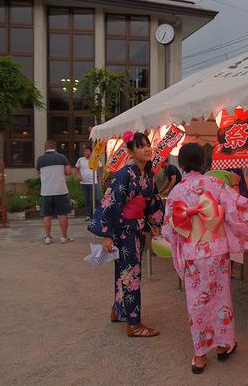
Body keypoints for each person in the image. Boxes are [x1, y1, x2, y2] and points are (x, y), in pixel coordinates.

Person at [162, 143, 248, 374]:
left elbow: (170, 227)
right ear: (203, 163)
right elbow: (237, 206)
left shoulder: (176, 191)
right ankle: (222, 346)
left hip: (192, 253)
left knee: (196, 302)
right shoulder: (215, 184)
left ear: (180, 165)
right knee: (221, 297)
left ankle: (199, 355)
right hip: (217, 250)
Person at [88, 131, 164, 338]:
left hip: (137, 229)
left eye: (148, 144)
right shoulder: (125, 174)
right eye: (141, 146)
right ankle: (134, 323)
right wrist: (107, 234)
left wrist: (155, 222)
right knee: (131, 275)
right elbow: (111, 202)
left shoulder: (148, 174)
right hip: (124, 231)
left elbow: (153, 200)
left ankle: (118, 310)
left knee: (125, 272)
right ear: (130, 152)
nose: (147, 149)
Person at [36, 140, 72, 245]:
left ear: (45, 147)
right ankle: (64, 237)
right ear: (55, 147)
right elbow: (69, 172)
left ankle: (48, 237)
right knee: (62, 214)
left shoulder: (40, 159)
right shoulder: (62, 157)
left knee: (47, 215)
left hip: (46, 191)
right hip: (61, 190)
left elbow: (38, 172)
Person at [74, 145, 100, 220]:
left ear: (91, 152)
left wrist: (99, 177)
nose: (85, 152)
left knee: (97, 198)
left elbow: (101, 167)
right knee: (86, 199)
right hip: (84, 183)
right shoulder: (80, 160)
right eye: (84, 151)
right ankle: (88, 215)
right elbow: (77, 169)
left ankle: (97, 214)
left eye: (87, 151)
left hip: (94, 182)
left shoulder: (95, 159)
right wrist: (78, 175)